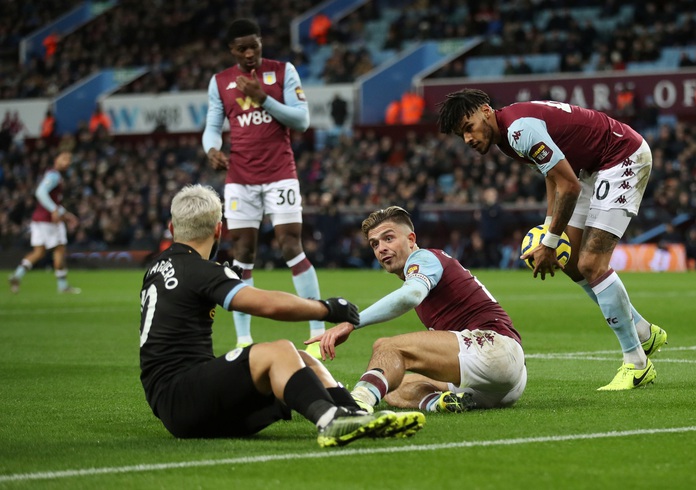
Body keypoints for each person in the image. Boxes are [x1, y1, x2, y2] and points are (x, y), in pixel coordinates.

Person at [139, 184, 425, 446]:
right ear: (218, 229)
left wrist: (220, 277)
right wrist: (326, 308)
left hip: (177, 399)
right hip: (182, 397)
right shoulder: (202, 272)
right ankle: (331, 421)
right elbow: (267, 305)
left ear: (171, 227)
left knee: (302, 359)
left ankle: (353, 412)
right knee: (279, 351)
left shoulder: (158, 268)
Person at [437, 88, 668, 391]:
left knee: (591, 264)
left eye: (468, 128)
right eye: (461, 136)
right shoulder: (507, 136)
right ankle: (642, 332)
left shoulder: (519, 130)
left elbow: (569, 187)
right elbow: (552, 175)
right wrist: (549, 231)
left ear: (485, 110)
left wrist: (549, 243)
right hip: (590, 168)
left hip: (621, 158)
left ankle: (637, 364)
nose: (468, 139)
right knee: (571, 261)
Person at [306, 206, 527, 413]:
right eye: (374, 244)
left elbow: (410, 295)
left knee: (387, 348)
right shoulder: (424, 268)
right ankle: (439, 403)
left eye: (388, 238)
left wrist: (351, 322)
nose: (381, 248)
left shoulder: (423, 258)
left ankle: (356, 405)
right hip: (502, 384)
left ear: (411, 239)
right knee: (392, 386)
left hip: (494, 348)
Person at [202, 18, 325, 356]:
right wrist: (211, 149)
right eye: (242, 48)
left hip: (280, 174)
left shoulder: (283, 71)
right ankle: (244, 339)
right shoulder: (220, 82)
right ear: (231, 50)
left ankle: (317, 328)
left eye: (254, 45)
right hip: (240, 180)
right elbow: (213, 126)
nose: (249, 52)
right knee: (242, 254)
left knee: (290, 245)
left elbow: (302, 120)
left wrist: (263, 99)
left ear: (260, 42)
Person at [9, 144, 80, 294]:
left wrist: (66, 214)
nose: (67, 162)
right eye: (64, 158)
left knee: (39, 252)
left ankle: (17, 275)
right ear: (56, 159)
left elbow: (51, 200)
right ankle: (63, 286)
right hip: (49, 222)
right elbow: (40, 192)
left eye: (69, 159)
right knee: (59, 250)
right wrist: (55, 210)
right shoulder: (54, 175)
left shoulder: (54, 175)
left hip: (38, 220)